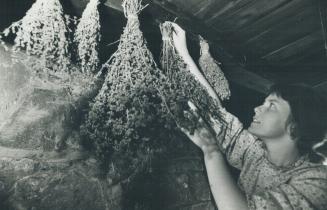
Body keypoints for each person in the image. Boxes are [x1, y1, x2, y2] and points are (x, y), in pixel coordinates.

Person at [169, 22, 327, 210]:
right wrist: (183, 52)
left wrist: (211, 150)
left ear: (294, 126)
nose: (257, 109)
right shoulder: (255, 152)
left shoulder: (317, 181)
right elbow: (215, 112)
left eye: (272, 106)